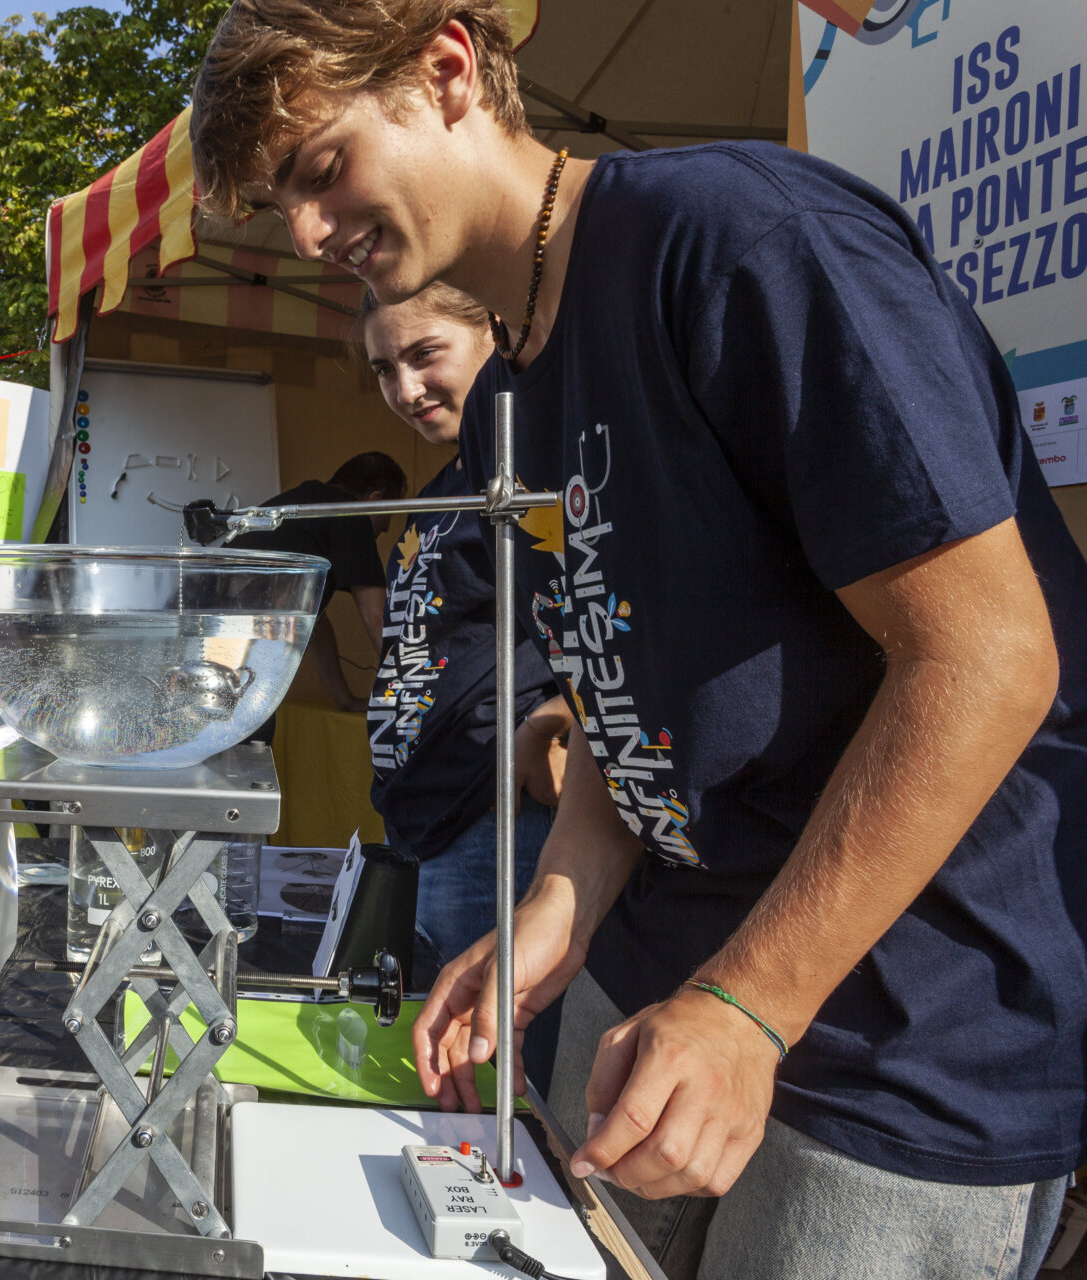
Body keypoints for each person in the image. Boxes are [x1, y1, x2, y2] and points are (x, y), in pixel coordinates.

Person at [191, 3, 1087, 1277]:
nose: (310, 232)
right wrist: (561, 899)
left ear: (447, 70)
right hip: (662, 983)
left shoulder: (739, 239)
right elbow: (635, 681)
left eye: (323, 168)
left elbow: (990, 657)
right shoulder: (512, 387)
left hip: (894, 1037)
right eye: (283, 201)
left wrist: (745, 1005)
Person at [356, 284, 571, 1008]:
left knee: (494, 1062)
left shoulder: (535, 471)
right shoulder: (448, 481)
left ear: (493, 335)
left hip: (497, 826)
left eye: (424, 355)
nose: (405, 388)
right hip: (428, 821)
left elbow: (610, 613)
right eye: (384, 369)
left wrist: (552, 724)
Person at [228, 451, 404, 714]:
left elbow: (315, 627)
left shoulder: (304, 507)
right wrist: (412, 689)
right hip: (229, 646)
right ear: (375, 501)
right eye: (388, 516)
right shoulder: (347, 511)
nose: (387, 529)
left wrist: (345, 700)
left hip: (198, 631)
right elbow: (378, 615)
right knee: (251, 730)